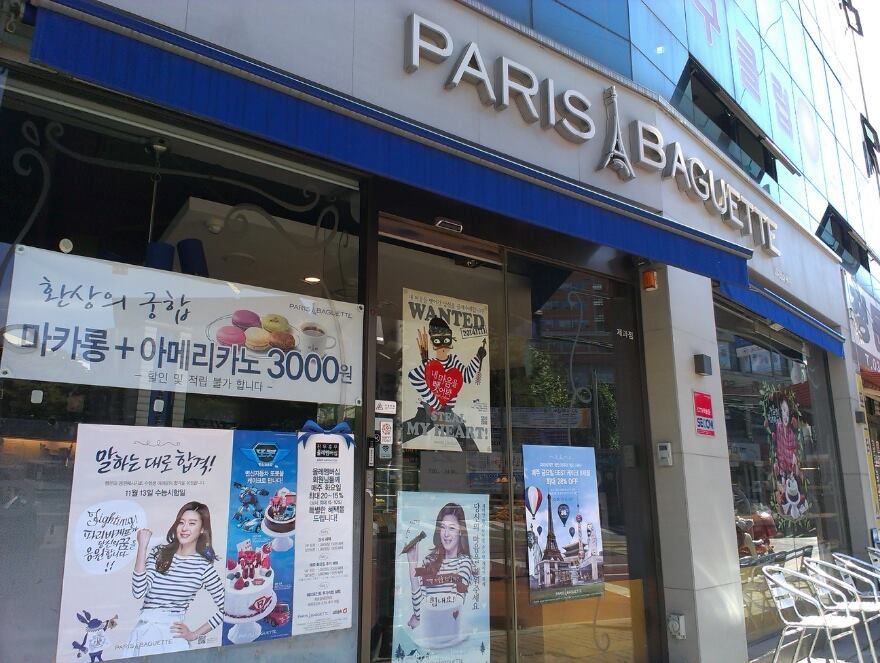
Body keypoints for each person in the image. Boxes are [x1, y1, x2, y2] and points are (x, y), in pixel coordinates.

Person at [127, 501, 224, 656]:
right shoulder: (160, 553)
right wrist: (142, 547)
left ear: (202, 529)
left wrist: (194, 635)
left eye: (192, 523)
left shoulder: (203, 567)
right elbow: (139, 592)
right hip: (142, 633)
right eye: (181, 522)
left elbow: (227, 608)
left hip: (171, 638)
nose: (184, 528)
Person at [401, 317, 487, 453]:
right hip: (427, 410)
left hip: (445, 412)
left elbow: (468, 376)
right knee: (409, 430)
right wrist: (435, 402)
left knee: (463, 433)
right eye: (437, 341)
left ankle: (476, 464)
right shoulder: (429, 363)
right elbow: (414, 377)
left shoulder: (453, 361)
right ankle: (386, 443)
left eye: (446, 341)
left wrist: (478, 357)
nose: (442, 347)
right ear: (432, 342)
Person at [405, 502, 475, 631]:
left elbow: (453, 609)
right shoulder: (429, 561)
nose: (446, 534)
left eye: (452, 528)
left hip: (448, 636)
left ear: (461, 532)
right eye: (443, 527)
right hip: (429, 638)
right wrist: (412, 563)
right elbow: (420, 612)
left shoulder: (464, 563)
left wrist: (420, 619)